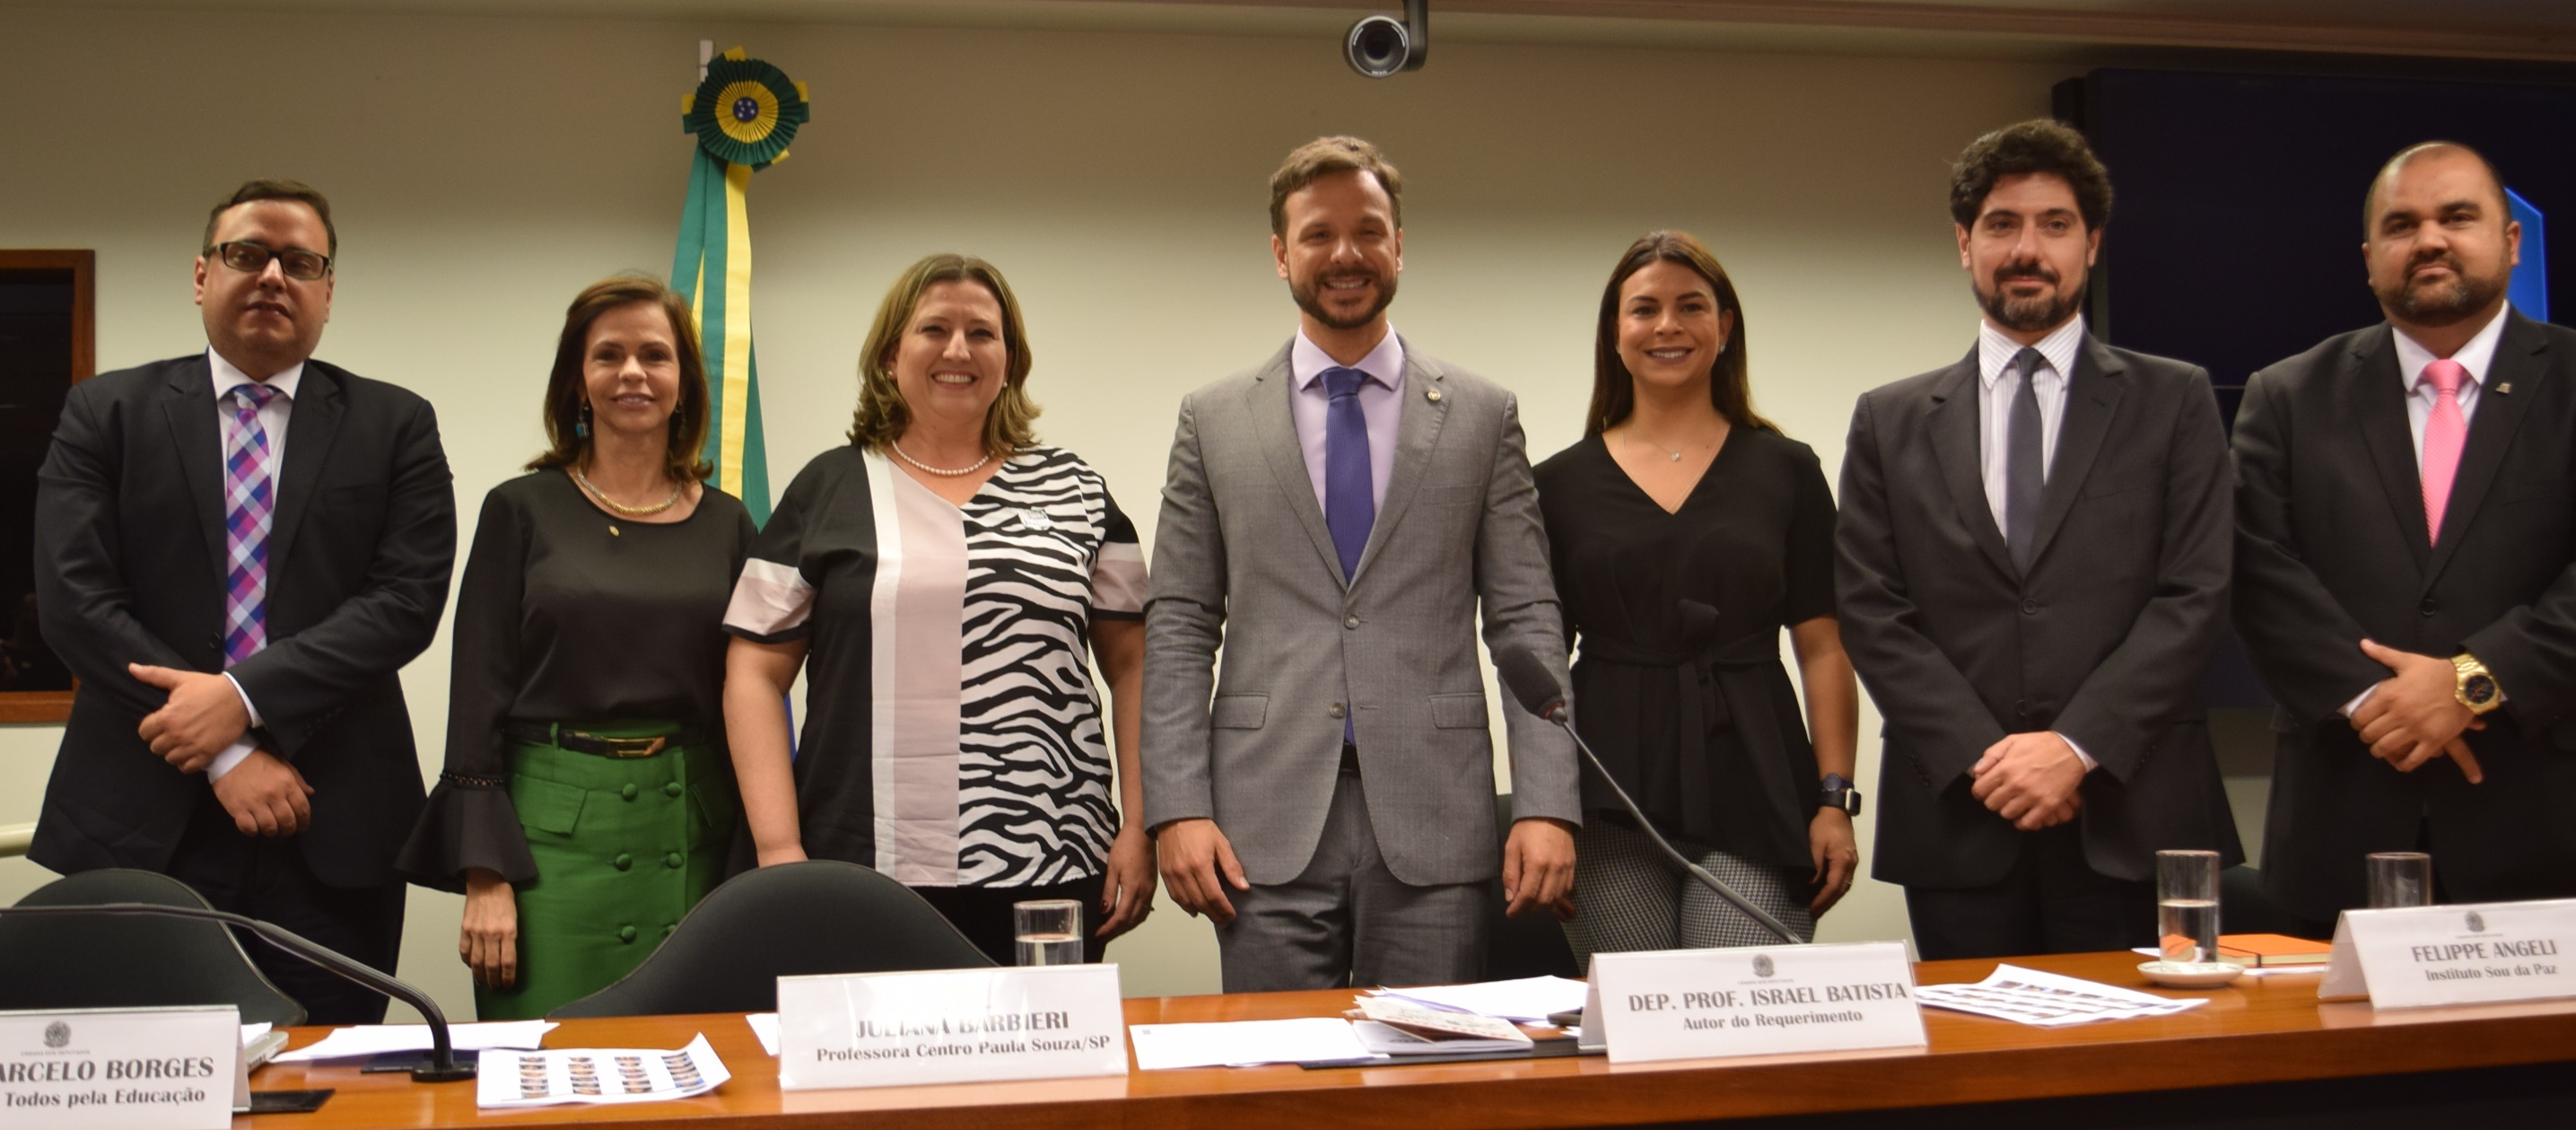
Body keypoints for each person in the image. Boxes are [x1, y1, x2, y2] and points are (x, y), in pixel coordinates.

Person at [1142, 135, 1579, 992]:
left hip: (1436, 813)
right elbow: (1181, 623)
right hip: (1259, 821)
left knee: (1428, 1085)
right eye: (1317, 234)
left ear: (1399, 245)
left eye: (1368, 230)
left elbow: (1527, 619)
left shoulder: (1483, 415)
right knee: (1274, 1091)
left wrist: (1546, 802)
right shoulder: (1215, 418)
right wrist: (1178, 806)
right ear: (1280, 254)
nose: (1345, 254)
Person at [31, 180, 456, 1022]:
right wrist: (224, 748)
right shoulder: (105, 411)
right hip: (142, 822)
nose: (272, 275)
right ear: (200, 276)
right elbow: (74, 600)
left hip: (332, 821)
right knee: (138, 1083)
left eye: (300, 262)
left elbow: (404, 602)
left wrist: (240, 698)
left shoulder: (395, 424)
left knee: (334, 1082)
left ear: (328, 292)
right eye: (246, 254)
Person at [1835, 120, 2240, 960]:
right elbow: (1873, 609)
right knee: (1974, 1081)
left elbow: (2195, 592)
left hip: (2133, 809)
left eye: (2054, 224)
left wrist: (2072, 747)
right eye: (2001, 224)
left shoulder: (2174, 399)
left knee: (2143, 1083)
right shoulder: (1890, 419)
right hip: (1958, 812)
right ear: (1963, 242)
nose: (2028, 248)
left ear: (2090, 244)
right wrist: (1993, 760)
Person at [721, 253, 1153, 965]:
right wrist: (779, 850)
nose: (958, 350)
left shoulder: (1075, 491)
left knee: (1039, 1073)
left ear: (1010, 360)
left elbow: (1135, 666)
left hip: (1049, 860)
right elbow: (752, 672)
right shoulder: (828, 489)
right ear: (892, 354)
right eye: (934, 329)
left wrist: (1140, 823)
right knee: (874, 1073)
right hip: (858, 866)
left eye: (982, 333)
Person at [2232, 141, 2576, 931]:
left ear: (2511, 241)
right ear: (2368, 257)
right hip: (2340, 823)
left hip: (2542, 824)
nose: (2429, 239)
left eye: (2457, 216)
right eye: (2401, 224)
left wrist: (2471, 682)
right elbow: (2256, 570)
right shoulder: (2286, 395)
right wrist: (2373, 701)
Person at [397, 276, 754, 1020]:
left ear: (683, 383)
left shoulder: (728, 523)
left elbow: (746, 695)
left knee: (697, 1074)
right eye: (608, 355)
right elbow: (478, 694)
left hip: (690, 835)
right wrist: (484, 874)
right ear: (578, 383)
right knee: (547, 1075)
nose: (632, 372)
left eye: (655, 355)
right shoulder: (521, 509)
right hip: (545, 851)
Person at [1533, 232, 1859, 962]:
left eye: (1691, 306)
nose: (1667, 326)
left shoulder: (1787, 470)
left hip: (1762, 781)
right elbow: (1537, 663)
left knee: (1739, 1026)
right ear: (1614, 335)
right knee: (1639, 1032)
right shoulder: (1555, 484)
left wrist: (1834, 799)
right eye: (1643, 309)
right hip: (1607, 793)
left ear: (1724, 327)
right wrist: (1541, 808)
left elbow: (1824, 647)